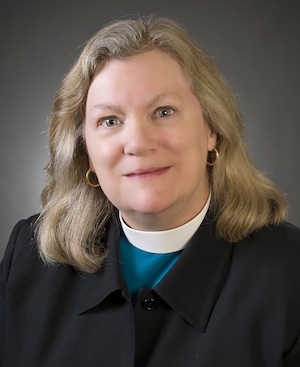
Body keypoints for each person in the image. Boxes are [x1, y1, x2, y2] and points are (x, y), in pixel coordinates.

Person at [0, 15, 300, 367]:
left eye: (163, 111)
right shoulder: (27, 259)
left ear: (212, 130)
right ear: (87, 154)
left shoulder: (290, 274)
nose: (138, 144)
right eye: (110, 121)